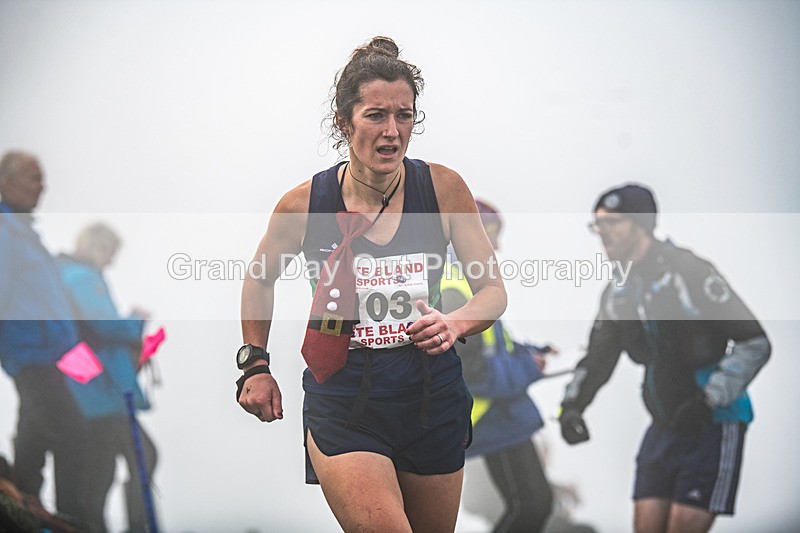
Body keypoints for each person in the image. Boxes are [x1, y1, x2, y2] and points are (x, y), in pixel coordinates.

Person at [237, 36, 506, 532]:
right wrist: (254, 362)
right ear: (345, 121)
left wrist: (454, 322)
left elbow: (493, 292)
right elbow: (259, 280)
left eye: (404, 116)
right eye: (376, 116)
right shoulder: (303, 205)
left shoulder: (442, 188)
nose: (392, 131)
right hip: (344, 396)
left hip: (431, 393)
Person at [558, 184, 771, 533]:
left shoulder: (689, 271)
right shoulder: (617, 292)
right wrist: (572, 407)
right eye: (597, 224)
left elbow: (756, 342)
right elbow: (597, 358)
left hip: (714, 423)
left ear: (641, 223)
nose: (602, 233)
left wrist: (707, 401)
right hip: (662, 425)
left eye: (613, 223)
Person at [441, 199, 553, 533]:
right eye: (492, 235)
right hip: (493, 419)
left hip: (501, 420)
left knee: (531, 507)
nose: (499, 246)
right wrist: (530, 368)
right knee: (532, 507)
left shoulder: (469, 283)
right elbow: (477, 374)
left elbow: (493, 349)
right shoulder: (455, 289)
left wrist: (529, 353)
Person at [0, 150, 94, 529]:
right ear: (5, 181)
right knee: (72, 431)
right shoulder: (5, 231)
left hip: (61, 354)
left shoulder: (26, 233)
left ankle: (26, 510)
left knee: (34, 434)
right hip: (32, 354)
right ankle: (72, 517)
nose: (43, 186)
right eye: (32, 178)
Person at [57, 222, 158, 533]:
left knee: (102, 467)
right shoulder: (84, 278)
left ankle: (97, 526)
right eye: (111, 252)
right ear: (97, 246)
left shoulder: (67, 275)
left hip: (90, 386)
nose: (112, 260)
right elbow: (104, 325)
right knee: (140, 457)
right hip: (103, 392)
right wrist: (135, 321)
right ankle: (135, 527)